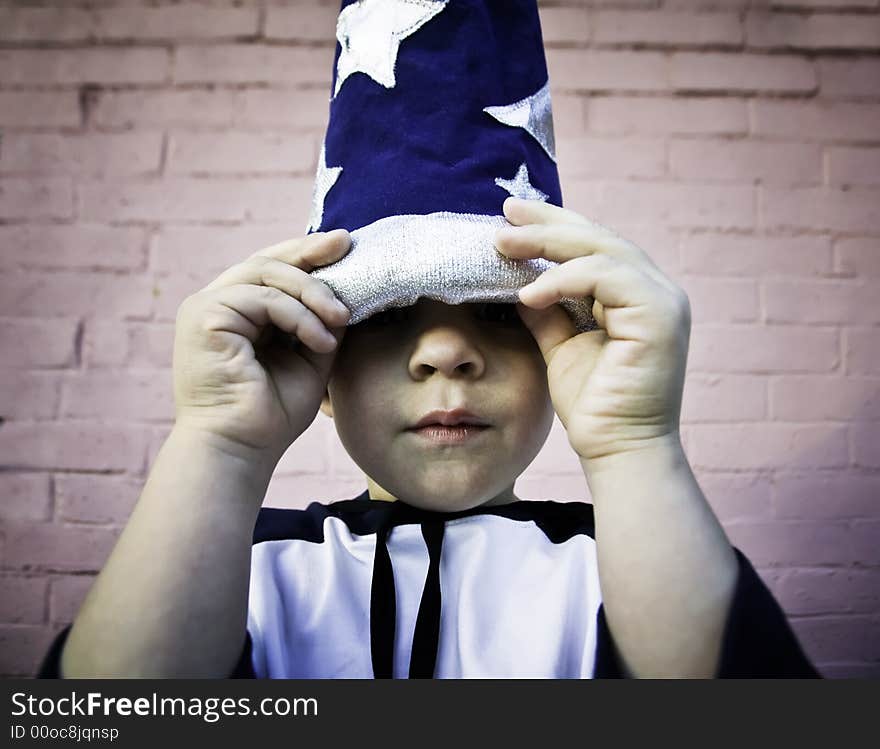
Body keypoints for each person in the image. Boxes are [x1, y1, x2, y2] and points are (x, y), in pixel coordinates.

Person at [37, 0, 818, 678]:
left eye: (499, 310)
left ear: (559, 353)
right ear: (322, 362)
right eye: (384, 315)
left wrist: (635, 445)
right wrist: (217, 443)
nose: (445, 352)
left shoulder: (621, 567)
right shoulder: (243, 571)